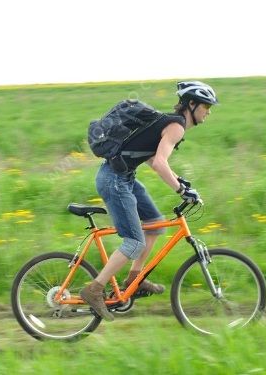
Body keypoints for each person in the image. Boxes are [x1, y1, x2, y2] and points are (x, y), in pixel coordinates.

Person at [80, 81, 218, 320]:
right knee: (134, 242)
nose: (208, 111)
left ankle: (135, 279)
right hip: (114, 180)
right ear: (191, 104)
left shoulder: (168, 123)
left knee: (154, 223)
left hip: (123, 177)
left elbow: (151, 158)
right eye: (206, 105)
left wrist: (181, 182)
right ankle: (95, 289)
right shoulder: (177, 126)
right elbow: (159, 163)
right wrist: (180, 191)